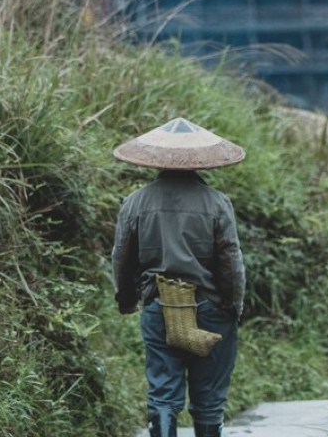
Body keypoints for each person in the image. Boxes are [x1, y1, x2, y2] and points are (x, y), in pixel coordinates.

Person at [112, 117, 247, 437]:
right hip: (211, 309)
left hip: (159, 307)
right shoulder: (217, 203)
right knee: (210, 398)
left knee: (163, 394)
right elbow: (231, 262)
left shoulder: (136, 202)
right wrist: (233, 306)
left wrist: (128, 299)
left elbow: (122, 257)